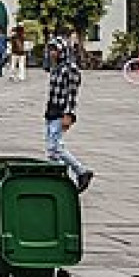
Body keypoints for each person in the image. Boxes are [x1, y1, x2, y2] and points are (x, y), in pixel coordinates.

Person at [43, 39, 93, 193]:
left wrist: (69, 114)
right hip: (51, 111)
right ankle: (60, 181)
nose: (52, 53)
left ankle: (80, 172)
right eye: (50, 50)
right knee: (53, 150)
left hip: (61, 112)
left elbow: (72, 94)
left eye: (55, 50)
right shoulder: (56, 68)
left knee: (54, 148)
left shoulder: (70, 69)